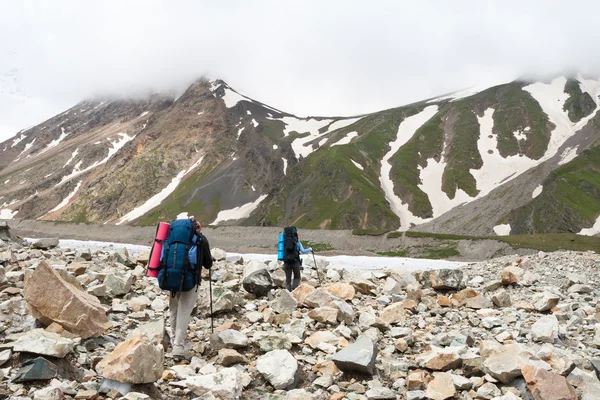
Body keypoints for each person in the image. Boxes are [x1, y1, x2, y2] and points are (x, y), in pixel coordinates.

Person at [161, 216, 212, 362]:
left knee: (174, 309)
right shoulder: (199, 239)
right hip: (190, 281)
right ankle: (178, 347)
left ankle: (173, 340)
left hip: (170, 277)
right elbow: (208, 264)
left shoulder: (170, 238)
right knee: (184, 311)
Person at [282, 227, 312, 292]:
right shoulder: (297, 242)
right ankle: (294, 290)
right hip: (295, 262)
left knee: (288, 279)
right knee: (297, 277)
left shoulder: (283, 242)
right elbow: (303, 251)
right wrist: (310, 249)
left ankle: (288, 293)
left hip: (286, 263)